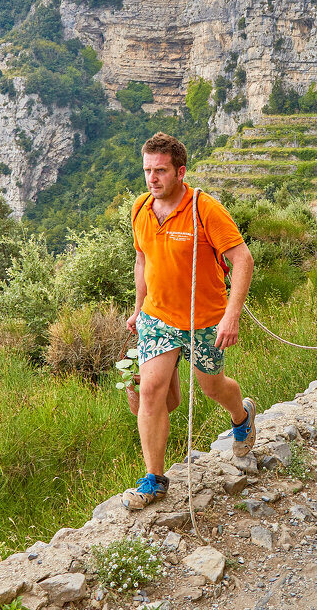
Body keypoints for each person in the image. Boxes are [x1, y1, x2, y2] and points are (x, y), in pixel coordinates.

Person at [122, 132, 256, 510]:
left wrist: (232, 314)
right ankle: (155, 480)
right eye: (148, 170)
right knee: (150, 391)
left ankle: (242, 415)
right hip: (158, 317)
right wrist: (138, 308)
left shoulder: (205, 209)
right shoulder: (141, 209)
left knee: (212, 388)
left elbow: (242, 260)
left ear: (181, 171)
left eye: (160, 170)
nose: (152, 178)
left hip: (206, 320)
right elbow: (143, 260)